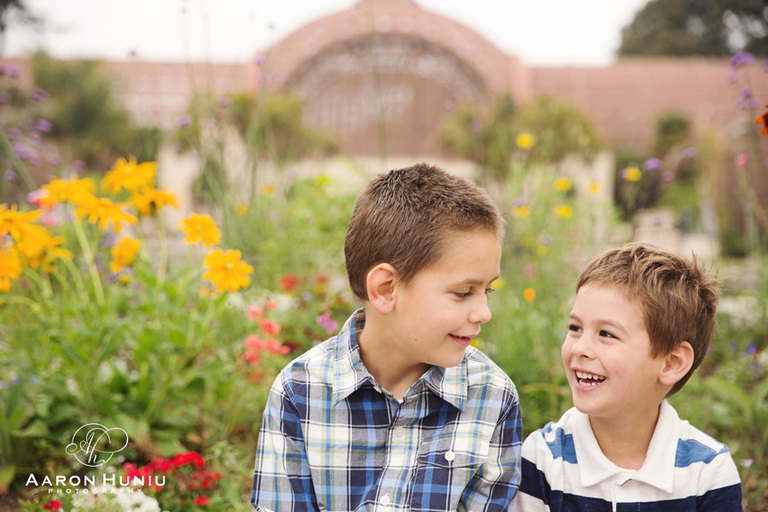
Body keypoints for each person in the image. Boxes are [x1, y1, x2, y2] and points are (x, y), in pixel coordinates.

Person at [251, 163, 522, 512]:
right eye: (463, 292)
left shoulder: (492, 398)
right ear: (385, 289)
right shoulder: (299, 392)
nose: (483, 312)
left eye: (488, 290)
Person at [514, 242, 743, 511]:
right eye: (575, 328)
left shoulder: (708, 471)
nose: (580, 348)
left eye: (606, 334)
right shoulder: (543, 459)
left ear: (671, 363)